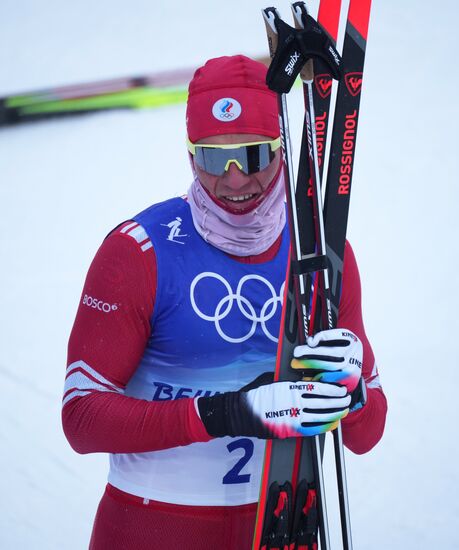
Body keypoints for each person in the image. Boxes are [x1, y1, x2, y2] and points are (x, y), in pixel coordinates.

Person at [62, 55, 387, 550]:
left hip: (283, 524)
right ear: (190, 157)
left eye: (254, 155)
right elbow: (81, 418)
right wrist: (226, 414)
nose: (235, 180)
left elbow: (367, 434)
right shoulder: (138, 252)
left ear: (282, 148)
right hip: (152, 529)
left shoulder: (320, 253)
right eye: (214, 159)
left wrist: (351, 388)